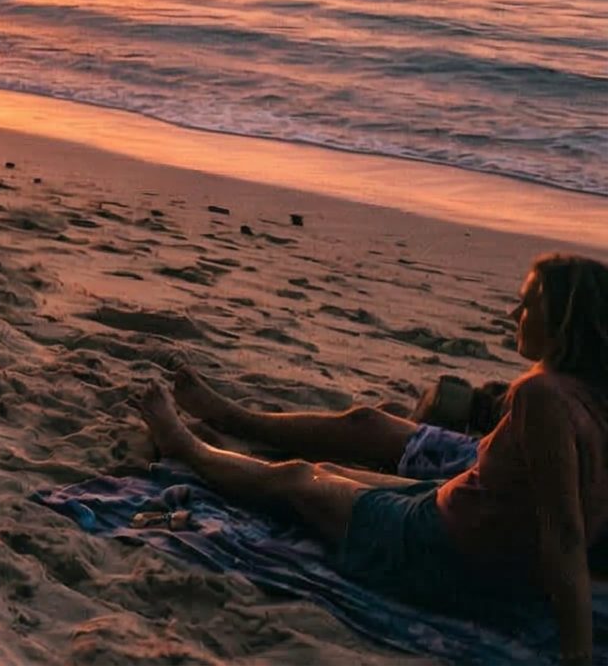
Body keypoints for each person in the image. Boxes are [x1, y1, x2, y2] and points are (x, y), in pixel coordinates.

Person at [138, 254, 606, 660]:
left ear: (565, 319)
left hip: (437, 549)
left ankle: (187, 448)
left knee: (297, 479)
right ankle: (229, 436)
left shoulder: (542, 396)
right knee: (331, 472)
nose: (514, 313)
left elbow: (564, 532)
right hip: (470, 519)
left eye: (529, 304)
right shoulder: (589, 394)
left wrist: (577, 655)